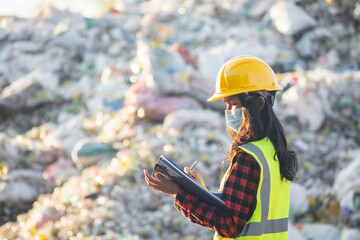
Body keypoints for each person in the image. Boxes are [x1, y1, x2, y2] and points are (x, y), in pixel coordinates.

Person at [144, 55, 298, 239]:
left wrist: (179, 193)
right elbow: (246, 208)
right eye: (227, 106)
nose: (230, 113)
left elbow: (230, 224)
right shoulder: (271, 150)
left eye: (234, 104)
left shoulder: (249, 156)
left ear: (258, 103)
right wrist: (200, 191)